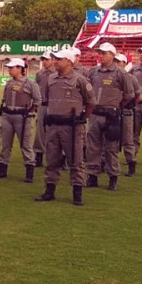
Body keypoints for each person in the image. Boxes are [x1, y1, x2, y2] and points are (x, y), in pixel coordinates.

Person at [35, 49, 95, 206]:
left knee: (75, 160)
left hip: (72, 126)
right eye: (55, 59)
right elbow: (46, 99)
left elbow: (91, 102)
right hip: (54, 124)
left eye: (59, 59)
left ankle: (77, 192)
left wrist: (83, 117)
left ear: (69, 61)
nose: (55, 62)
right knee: (52, 159)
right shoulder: (51, 79)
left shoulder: (80, 80)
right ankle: (49, 190)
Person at [85, 42, 135, 191]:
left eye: (104, 53)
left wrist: (117, 106)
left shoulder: (121, 73)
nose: (100, 56)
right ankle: (92, 175)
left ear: (112, 55)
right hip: (95, 114)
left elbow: (129, 94)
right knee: (93, 147)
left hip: (111, 115)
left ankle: (113, 176)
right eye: (99, 53)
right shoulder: (93, 72)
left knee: (111, 148)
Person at [0, 58, 41, 182]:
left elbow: (37, 100)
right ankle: (2, 169)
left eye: (12, 68)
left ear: (20, 68)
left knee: (26, 144)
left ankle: (29, 171)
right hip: (7, 115)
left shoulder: (30, 84)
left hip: (23, 116)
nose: (9, 70)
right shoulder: (8, 83)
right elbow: (4, 98)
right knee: (5, 144)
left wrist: (29, 112)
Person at [115, 54, 142, 176]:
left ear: (125, 64)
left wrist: (127, 103)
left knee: (128, 139)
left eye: (119, 61)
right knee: (110, 139)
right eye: (115, 61)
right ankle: (106, 163)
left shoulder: (132, 78)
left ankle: (131, 164)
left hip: (126, 112)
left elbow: (138, 96)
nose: (116, 63)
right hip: (113, 112)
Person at [33, 50, 55, 167]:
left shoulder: (57, 73)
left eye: (47, 59)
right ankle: (39, 155)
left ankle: (59, 157)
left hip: (54, 105)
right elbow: (36, 89)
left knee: (55, 131)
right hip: (42, 104)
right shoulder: (39, 74)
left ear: (52, 60)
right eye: (43, 59)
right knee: (40, 131)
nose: (45, 62)